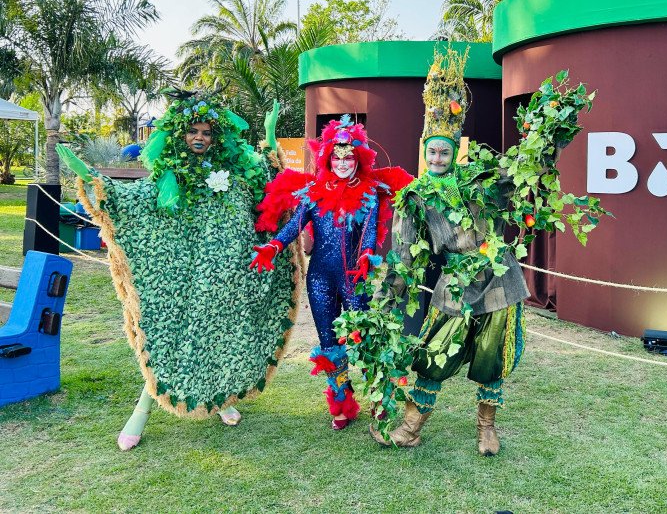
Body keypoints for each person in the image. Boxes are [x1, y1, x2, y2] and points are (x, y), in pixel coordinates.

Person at [370, 48, 603, 456]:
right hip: (453, 287)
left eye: (445, 151)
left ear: (455, 149)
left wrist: (546, 138)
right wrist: (385, 298)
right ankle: (410, 426)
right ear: (424, 151)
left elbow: (523, 176)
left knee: (491, 357)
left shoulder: (482, 178)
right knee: (434, 353)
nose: (438, 158)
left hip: (499, 279)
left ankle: (486, 429)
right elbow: (402, 255)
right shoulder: (414, 198)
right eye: (432, 152)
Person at [57, 93, 297, 451]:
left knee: (224, 338)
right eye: (192, 132)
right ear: (179, 135)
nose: (200, 138)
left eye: (207, 132)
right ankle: (142, 408)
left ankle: (221, 400)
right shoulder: (169, 176)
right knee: (174, 342)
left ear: (218, 137)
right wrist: (90, 177)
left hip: (233, 277)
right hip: (189, 279)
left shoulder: (237, 170)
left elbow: (271, 187)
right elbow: (133, 201)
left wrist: (271, 137)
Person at [251, 115, 412, 429]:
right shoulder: (313, 192)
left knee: (363, 338)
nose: (341, 161)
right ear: (326, 157)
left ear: (359, 158)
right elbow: (295, 226)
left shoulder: (368, 194)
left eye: (348, 156)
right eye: (336, 156)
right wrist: (273, 247)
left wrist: (367, 256)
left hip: (355, 278)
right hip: (320, 278)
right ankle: (342, 401)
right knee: (329, 342)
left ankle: (379, 397)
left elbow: (367, 235)